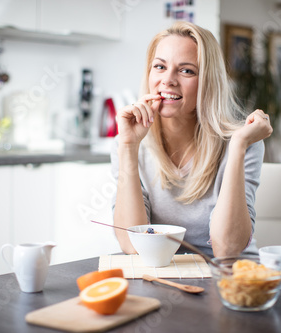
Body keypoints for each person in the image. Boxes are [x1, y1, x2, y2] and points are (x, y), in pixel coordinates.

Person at [110, 21, 272, 258]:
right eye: (160, 66)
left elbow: (227, 249)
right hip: (162, 275)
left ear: (208, 81)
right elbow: (132, 246)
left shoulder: (243, 142)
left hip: (227, 278)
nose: (168, 80)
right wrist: (128, 146)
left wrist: (237, 147)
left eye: (186, 70)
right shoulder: (129, 142)